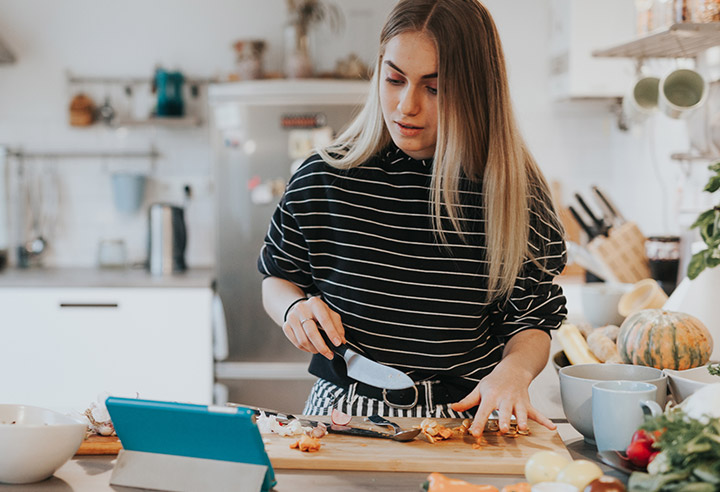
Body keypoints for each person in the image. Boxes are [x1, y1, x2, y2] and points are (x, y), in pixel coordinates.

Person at [258, 0, 567, 438]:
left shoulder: (515, 194)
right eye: (395, 79)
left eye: (435, 87)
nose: (406, 105)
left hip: (468, 416)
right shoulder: (325, 176)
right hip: (344, 412)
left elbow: (532, 320)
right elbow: (277, 276)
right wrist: (292, 308)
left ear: (477, 90)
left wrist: (514, 372)